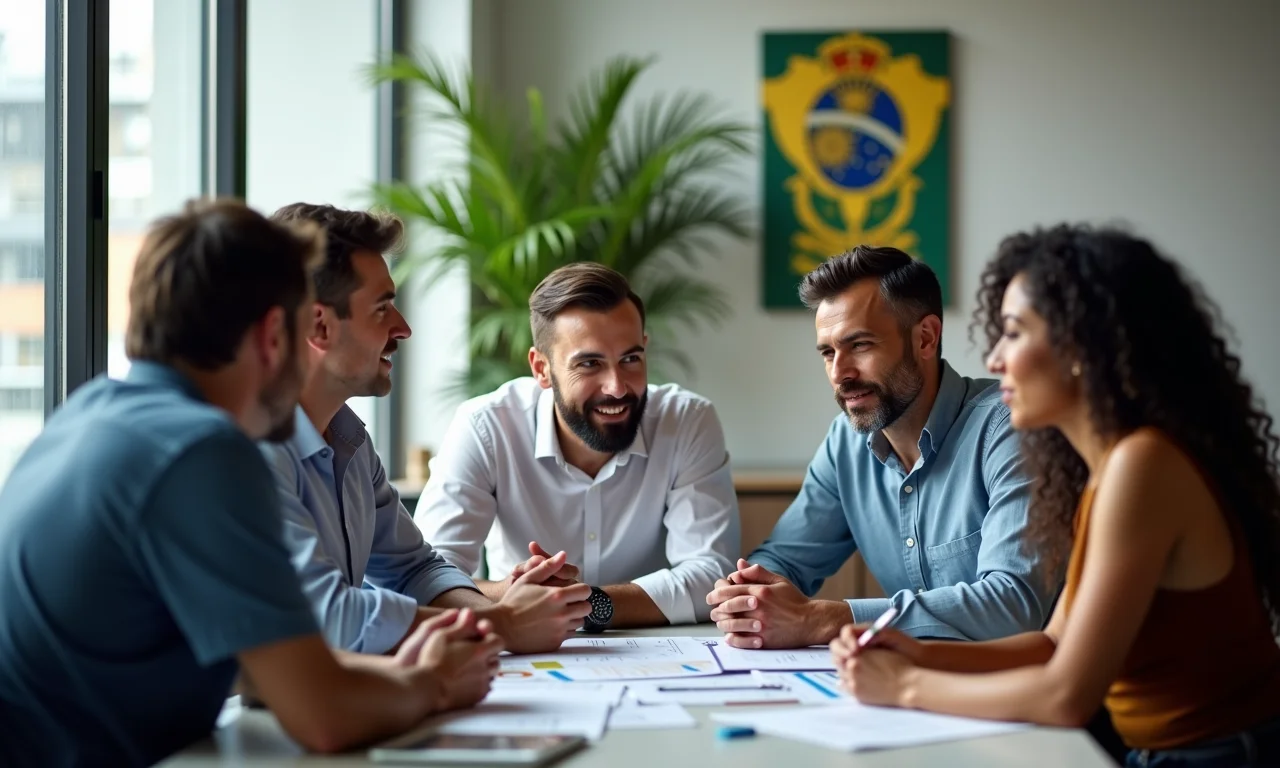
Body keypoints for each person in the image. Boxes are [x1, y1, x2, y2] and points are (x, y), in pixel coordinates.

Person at [0, 200, 502, 768]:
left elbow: (273, 668)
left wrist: (405, 673)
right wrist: (436, 682)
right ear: (273, 335)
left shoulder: (92, 414)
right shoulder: (200, 451)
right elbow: (323, 716)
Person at [832, 225, 1280, 767]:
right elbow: (1051, 643)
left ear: (1081, 347)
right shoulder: (1110, 467)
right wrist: (916, 652)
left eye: (1014, 333)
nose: (994, 359)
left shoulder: (1143, 466)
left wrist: (905, 686)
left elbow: (1066, 696)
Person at [263, 203, 590, 656]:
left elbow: (414, 570)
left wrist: (503, 613)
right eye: (382, 308)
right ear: (320, 326)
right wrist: (501, 624)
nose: (404, 328)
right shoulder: (251, 453)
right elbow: (329, 617)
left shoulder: (350, 442)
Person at [706, 246, 1055, 649]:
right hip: (907, 679)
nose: (840, 373)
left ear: (925, 338)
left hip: (1021, 681)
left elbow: (1014, 605)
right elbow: (785, 559)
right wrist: (748, 593)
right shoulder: (845, 443)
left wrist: (830, 619)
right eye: (828, 352)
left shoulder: (1010, 430)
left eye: (860, 345)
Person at [416, 262, 740, 629]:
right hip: (519, 641)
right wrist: (511, 593)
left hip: (654, 643)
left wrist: (586, 603)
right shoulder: (485, 427)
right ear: (542, 369)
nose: (616, 387)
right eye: (589, 363)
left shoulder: (687, 421)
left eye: (630, 359)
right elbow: (426, 574)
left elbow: (711, 573)